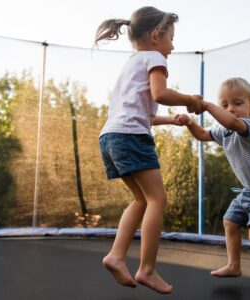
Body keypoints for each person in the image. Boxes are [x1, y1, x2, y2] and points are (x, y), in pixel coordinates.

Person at [94, 6, 203, 294]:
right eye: (171, 38)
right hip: (130, 137)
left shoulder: (132, 63)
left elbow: (144, 112)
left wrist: (171, 119)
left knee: (142, 200)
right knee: (157, 199)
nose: (173, 45)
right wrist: (190, 100)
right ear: (156, 36)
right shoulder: (155, 57)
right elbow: (160, 94)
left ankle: (116, 256)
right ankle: (147, 269)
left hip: (111, 136)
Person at [175, 77, 250, 297]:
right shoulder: (221, 132)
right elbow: (202, 135)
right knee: (230, 222)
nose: (230, 109)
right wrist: (190, 123)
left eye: (237, 103)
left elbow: (232, 123)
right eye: (224, 104)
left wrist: (208, 105)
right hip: (248, 192)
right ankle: (234, 266)